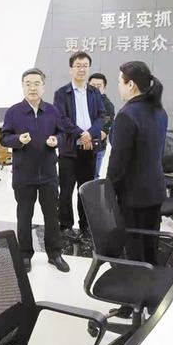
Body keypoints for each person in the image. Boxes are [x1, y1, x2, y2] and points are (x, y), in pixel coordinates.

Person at [1, 68, 70, 273]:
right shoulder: (13, 112)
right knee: (24, 216)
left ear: (43, 86)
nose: (32, 88)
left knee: (52, 216)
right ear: (22, 86)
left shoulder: (53, 111)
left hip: (48, 173)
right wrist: (18, 140)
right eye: (28, 83)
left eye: (37, 83)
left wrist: (57, 140)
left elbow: (63, 134)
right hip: (24, 174)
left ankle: (55, 254)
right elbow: (4, 138)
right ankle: (24, 254)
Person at [107, 61, 167, 265]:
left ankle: (135, 282)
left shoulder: (127, 115)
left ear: (130, 84)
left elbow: (118, 162)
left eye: (119, 82)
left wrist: (108, 193)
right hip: (155, 191)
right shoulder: (159, 111)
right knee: (150, 245)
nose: (118, 87)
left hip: (133, 195)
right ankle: (149, 281)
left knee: (134, 249)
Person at [53, 51, 106, 240]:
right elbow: (61, 119)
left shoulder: (94, 92)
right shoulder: (61, 93)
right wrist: (80, 134)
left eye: (85, 66)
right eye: (78, 65)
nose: (82, 69)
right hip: (69, 149)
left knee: (86, 191)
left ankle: (86, 226)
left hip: (89, 149)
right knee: (66, 191)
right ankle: (65, 226)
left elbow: (102, 116)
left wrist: (89, 134)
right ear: (71, 69)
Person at [88, 73, 115, 179]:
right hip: (78, 147)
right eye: (92, 85)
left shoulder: (108, 106)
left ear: (104, 88)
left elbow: (104, 130)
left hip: (96, 148)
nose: (95, 88)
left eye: (98, 86)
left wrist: (87, 139)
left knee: (92, 179)